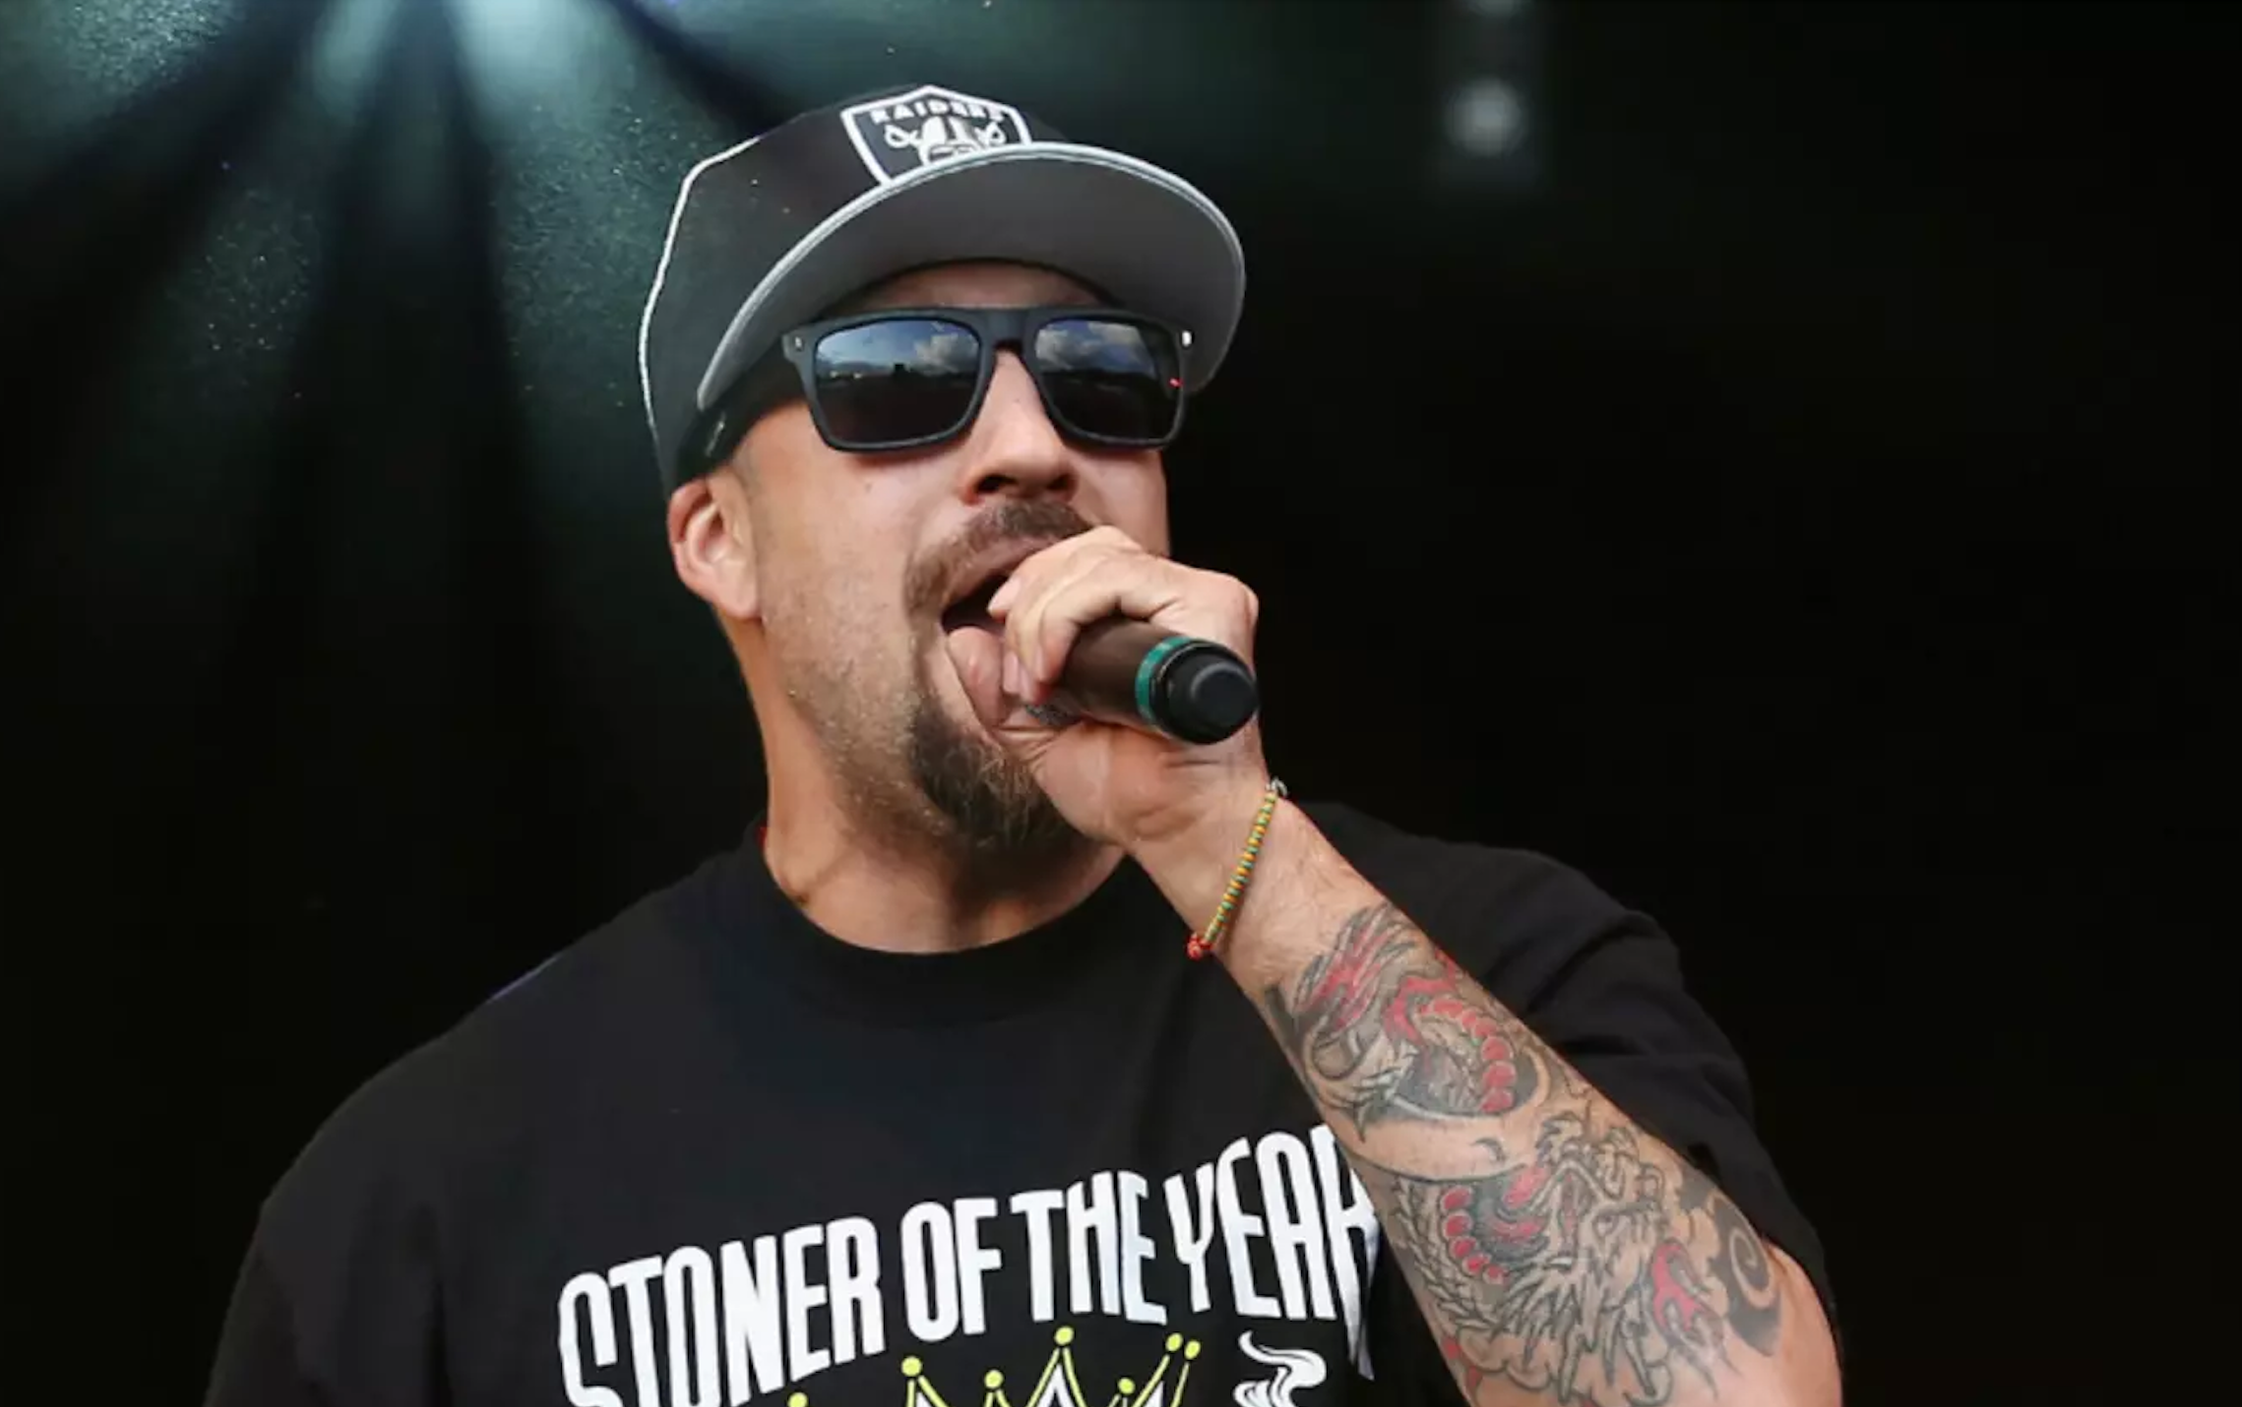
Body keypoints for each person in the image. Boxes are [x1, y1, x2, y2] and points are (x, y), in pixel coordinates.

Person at [204, 84, 1842, 1407]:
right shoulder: (441, 1188)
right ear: (719, 540)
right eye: (899, 377)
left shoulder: (1493, 971)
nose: (1032, 442)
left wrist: (1227, 847)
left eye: (1101, 375)